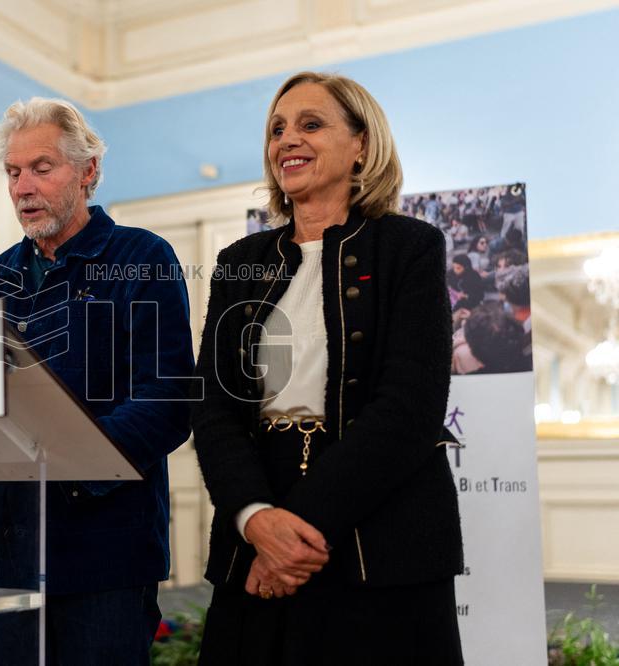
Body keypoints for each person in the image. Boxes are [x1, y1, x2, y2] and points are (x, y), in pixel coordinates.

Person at [192, 71, 464, 664]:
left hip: (382, 544)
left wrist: (295, 531)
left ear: (362, 144)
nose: (287, 139)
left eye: (310, 124)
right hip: (254, 545)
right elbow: (213, 408)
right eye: (276, 129)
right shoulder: (240, 261)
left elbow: (410, 409)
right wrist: (257, 520)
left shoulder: (410, 247)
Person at [0, 97, 195, 665]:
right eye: (13, 172)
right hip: (4, 559)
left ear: (89, 170)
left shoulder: (142, 256)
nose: (23, 186)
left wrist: (74, 462)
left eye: (42, 168)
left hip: (103, 553)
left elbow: (168, 397)